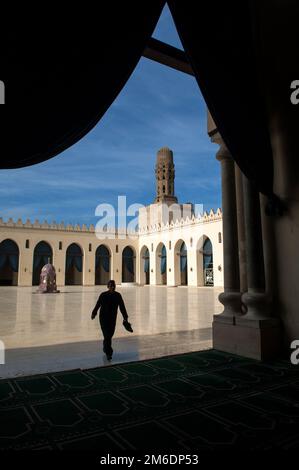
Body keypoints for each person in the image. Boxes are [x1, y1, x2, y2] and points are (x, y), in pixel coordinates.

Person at [91, 279, 133, 361]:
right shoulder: (103, 295)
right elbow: (98, 304)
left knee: (109, 335)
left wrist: (125, 318)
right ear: (108, 286)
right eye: (110, 286)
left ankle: (105, 347)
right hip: (103, 318)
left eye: (113, 286)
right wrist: (94, 313)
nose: (112, 287)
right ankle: (108, 353)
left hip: (112, 319)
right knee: (107, 335)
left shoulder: (118, 296)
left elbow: (122, 307)